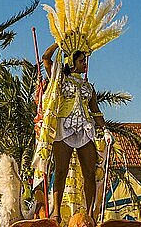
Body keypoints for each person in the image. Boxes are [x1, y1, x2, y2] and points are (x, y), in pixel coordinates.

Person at [41, 43, 112, 223]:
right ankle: (56, 212)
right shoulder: (60, 79)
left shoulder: (89, 87)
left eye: (85, 61)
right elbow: (46, 59)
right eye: (81, 61)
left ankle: (90, 214)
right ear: (71, 62)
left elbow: (95, 111)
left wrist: (105, 129)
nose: (84, 64)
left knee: (90, 171)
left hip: (85, 129)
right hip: (64, 128)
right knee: (61, 170)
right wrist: (58, 42)